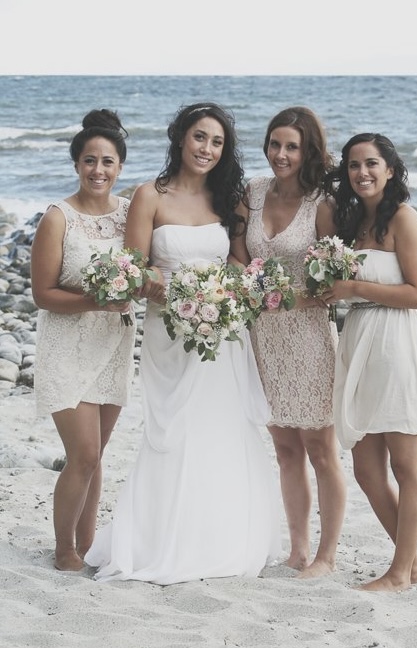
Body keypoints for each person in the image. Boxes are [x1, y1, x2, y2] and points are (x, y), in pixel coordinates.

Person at [85, 102, 282, 584]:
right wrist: (162, 285)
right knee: (171, 431)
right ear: (179, 138)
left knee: (218, 426)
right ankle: (159, 540)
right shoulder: (149, 195)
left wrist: (229, 293)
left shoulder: (226, 198)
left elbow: (237, 261)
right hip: (168, 330)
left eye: (217, 142)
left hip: (222, 331)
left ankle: (217, 540)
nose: (207, 149)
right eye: (199, 137)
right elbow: (134, 268)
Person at [321, 132, 417, 591]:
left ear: (390, 170)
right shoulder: (351, 223)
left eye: (372, 163)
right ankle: (414, 566)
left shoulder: (403, 218)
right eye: (354, 165)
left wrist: (354, 288)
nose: (362, 173)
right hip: (358, 342)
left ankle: (398, 573)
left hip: (396, 343)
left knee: (406, 466)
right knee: (367, 470)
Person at [229, 106, 349, 578]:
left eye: (292, 147)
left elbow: (333, 281)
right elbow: (237, 255)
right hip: (263, 335)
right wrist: (251, 286)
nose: (281, 154)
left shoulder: (322, 204)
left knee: (321, 449)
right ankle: (298, 550)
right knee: (285, 449)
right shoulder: (253, 193)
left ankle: (326, 555)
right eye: (275, 144)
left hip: (309, 337)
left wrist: (289, 296)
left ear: (308, 151)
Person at [30, 109, 134, 571]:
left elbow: (147, 266)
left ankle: (87, 543)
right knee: (84, 454)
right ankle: (63, 550)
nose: (98, 170)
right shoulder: (58, 218)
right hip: (66, 346)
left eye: (107, 161)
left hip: (113, 345)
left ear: (120, 167)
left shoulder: (129, 214)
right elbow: (42, 294)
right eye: (90, 160)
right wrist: (97, 300)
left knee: (96, 456)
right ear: (76, 164)